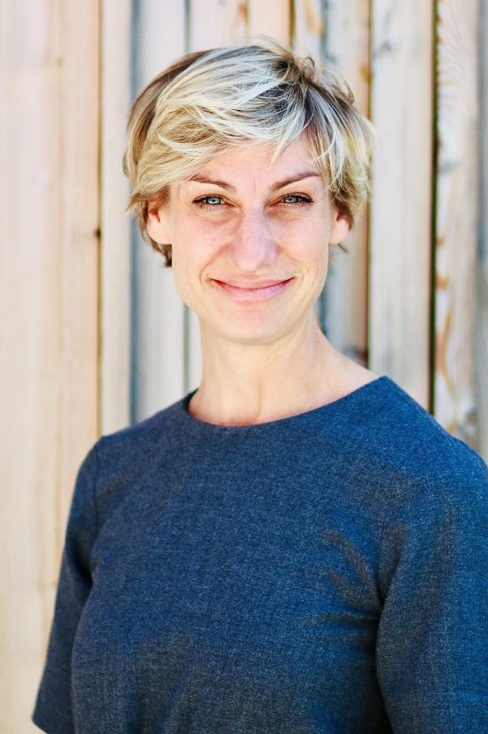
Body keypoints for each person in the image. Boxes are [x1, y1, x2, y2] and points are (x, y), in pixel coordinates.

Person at [33, 44, 488, 733]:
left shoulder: (428, 490)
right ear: (157, 215)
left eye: (291, 199)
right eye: (212, 200)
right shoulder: (115, 475)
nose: (251, 250)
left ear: (339, 215)